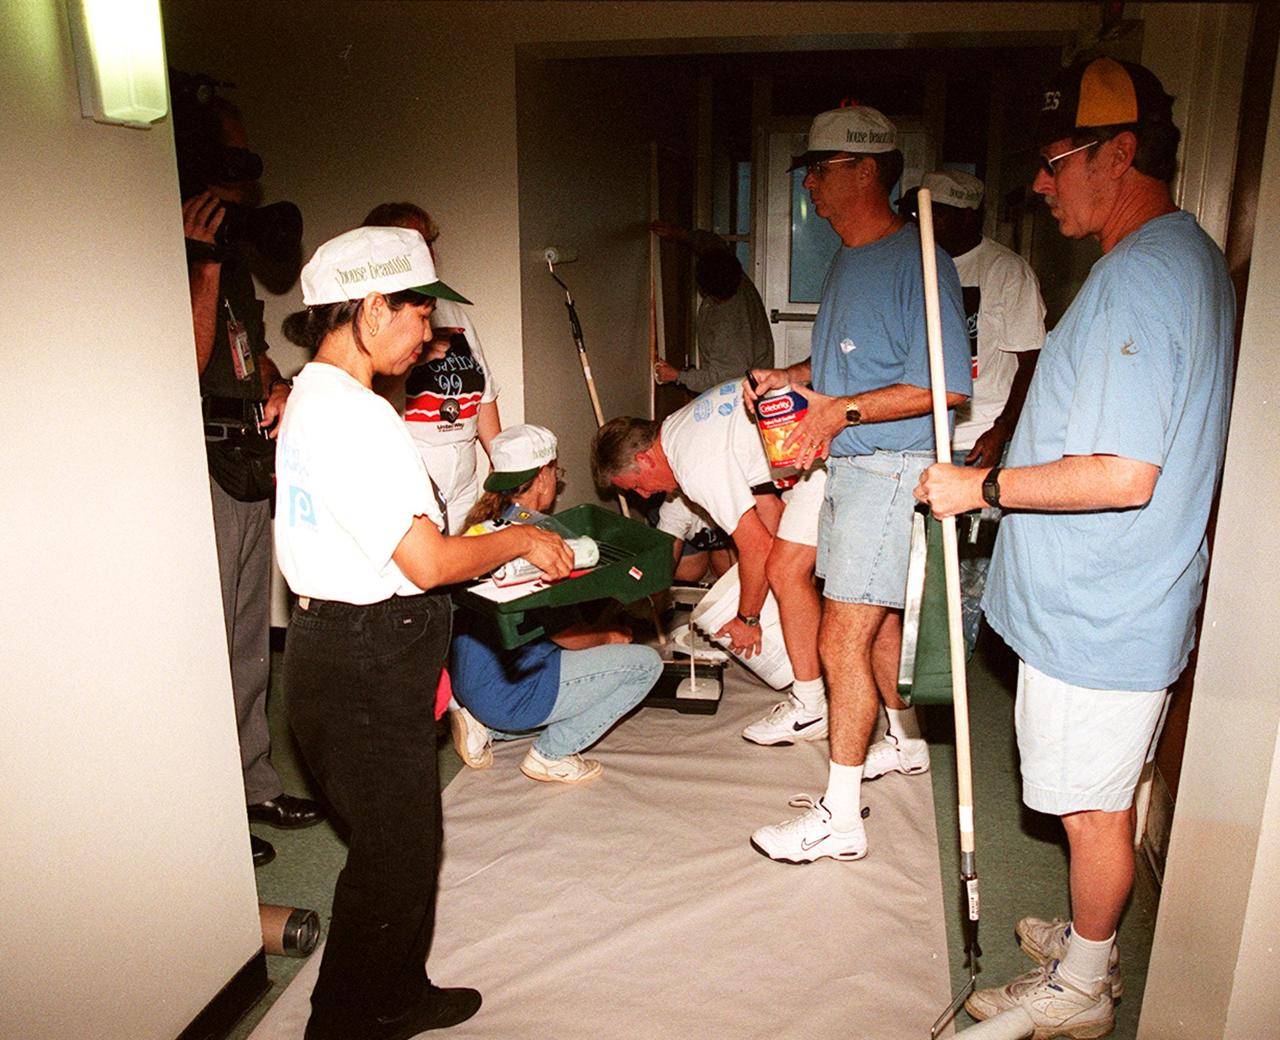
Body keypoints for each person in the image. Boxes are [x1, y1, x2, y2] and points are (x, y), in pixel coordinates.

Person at [915, 58, 1235, 1038]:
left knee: (1092, 810)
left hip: (1103, 614)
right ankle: (1088, 941)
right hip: (1101, 604)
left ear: (1119, 152)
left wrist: (980, 487)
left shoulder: (1143, 279)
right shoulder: (1167, 261)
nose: (1041, 184)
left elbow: (1118, 473)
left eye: (1055, 162)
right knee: (1089, 795)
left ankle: (1080, 991)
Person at [274, 225, 573, 1039]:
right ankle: (342, 1020)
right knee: (391, 859)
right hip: (366, 656)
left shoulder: (309, 395)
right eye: (420, 313)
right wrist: (519, 538)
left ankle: (400, 991)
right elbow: (430, 560)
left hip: (338, 648)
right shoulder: (361, 420)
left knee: (404, 844)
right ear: (372, 309)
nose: (432, 335)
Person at [744, 105, 971, 864]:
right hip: (848, 464)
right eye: (807, 170)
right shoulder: (847, 258)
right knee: (871, 631)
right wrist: (792, 379)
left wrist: (838, 411)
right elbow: (843, 370)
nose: (810, 183)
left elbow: (947, 386)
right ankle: (902, 745)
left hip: (892, 468)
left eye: (822, 168)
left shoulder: (921, 259)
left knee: (844, 634)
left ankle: (841, 820)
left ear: (867, 170)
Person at [173, 73, 322, 868]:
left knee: (247, 640)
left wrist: (279, 386)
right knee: (204, 642)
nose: (243, 172)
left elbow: (244, 347)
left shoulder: (230, 260)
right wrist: (197, 262)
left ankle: (254, 780)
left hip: (245, 459)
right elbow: (180, 363)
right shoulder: (178, 250)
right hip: (192, 463)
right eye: (229, 156)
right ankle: (209, 811)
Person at [591, 380, 828, 744]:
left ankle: (811, 706)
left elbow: (757, 548)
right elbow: (767, 502)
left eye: (635, 485)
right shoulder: (677, 427)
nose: (642, 495)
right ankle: (817, 676)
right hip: (809, 449)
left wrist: (748, 618)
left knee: (784, 569)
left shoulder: (694, 464)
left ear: (643, 459)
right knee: (788, 569)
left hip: (829, 450)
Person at [447, 425, 663, 784]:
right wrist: (609, 636)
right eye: (555, 473)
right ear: (543, 476)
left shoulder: (478, 530)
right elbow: (569, 637)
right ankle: (552, 754)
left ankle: (483, 726)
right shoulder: (541, 540)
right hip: (510, 694)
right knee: (645, 665)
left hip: (471, 685)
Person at [900, 169, 1046, 648]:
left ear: (966, 215)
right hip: (923, 434)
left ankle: (950, 679)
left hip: (979, 440)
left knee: (965, 576)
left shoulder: (1006, 271)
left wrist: (1003, 429)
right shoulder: (917, 263)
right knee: (915, 564)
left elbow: (1032, 361)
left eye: (936, 213)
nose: (925, 222)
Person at [362, 202, 502, 534]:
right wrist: (418, 357)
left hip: (464, 481)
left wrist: (503, 468)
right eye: (415, 243)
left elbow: (484, 393)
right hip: (414, 478)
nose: (428, 253)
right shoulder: (377, 316)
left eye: (428, 244)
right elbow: (364, 400)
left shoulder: (452, 311)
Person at [651, 226, 775, 393]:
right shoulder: (731, 273)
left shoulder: (729, 328)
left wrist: (677, 376)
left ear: (705, 291)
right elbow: (712, 245)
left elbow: (723, 379)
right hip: (745, 375)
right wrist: (679, 233)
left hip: (741, 392)